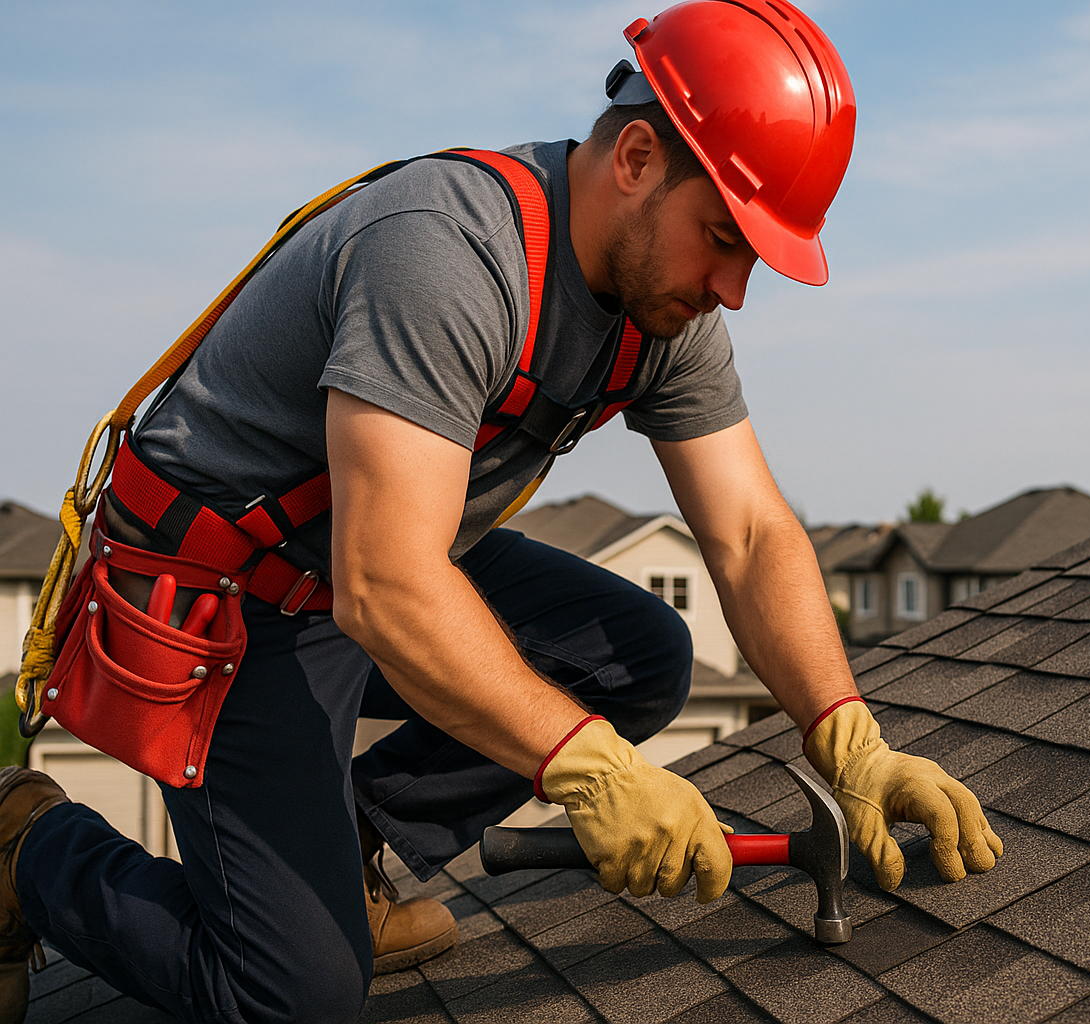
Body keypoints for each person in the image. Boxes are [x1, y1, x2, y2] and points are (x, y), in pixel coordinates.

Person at [0, 2, 1002, 1021]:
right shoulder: (445, 254)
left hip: (365, 565)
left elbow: (748, 535)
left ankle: (339, 847)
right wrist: (588, 765)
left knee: (641, 658)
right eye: (725, 239)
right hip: (233, 595)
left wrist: (847, 735)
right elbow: (389, 587)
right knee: (294, 996)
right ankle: (24, 846)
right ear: (638, 158)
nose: (735, 290)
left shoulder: (664, 310)